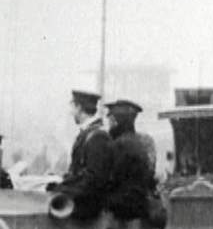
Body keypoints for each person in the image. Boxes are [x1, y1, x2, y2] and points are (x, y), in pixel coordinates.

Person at [48, 90, 113, 218]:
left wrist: (62, 189)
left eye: (72, 106)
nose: (71, 112)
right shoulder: (90, 133)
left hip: (84, 209)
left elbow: (93, 179)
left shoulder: (97, 136)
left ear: (79, 107)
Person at [104, 100, 154, 221]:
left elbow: (112, 178)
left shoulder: (119, 144)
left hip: (124, 205)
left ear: (116, 121)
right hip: (138, 203)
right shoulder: (138, 142)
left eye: (111, 120)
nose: (109, 125)